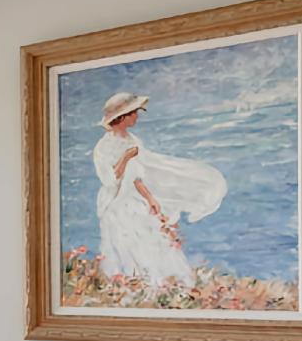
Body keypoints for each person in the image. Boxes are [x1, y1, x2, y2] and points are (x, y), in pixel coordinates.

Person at [92, 92, 227, 285]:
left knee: (153, 238)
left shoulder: (133, 140)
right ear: (122, 116)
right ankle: (131, 283)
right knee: (126, 242)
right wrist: (126, 156)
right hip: (116, 203)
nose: (136, 117)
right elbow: (110, 180)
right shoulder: (104, 146)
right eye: (134, 113)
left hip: (135, 198)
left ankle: (162, 284)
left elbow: (138, 177)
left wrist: (151, 200)